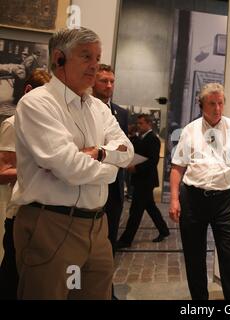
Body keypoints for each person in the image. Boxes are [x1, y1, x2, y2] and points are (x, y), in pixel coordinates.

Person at [11, 27, 134, 300]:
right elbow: (70, 167)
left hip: (96, 227)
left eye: (98, 57)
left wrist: (99, 154)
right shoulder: (38, 104)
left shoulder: (99, 108)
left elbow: (127, 152)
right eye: (86, 56)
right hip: (53, 225)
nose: (95, 66)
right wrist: (109, 167)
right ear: (59, 58)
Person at [169, 83, 230, 300]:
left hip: (224, 200)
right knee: (194, 255)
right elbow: (178, 167)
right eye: (212, 103)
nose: (217, 108)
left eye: (221, 103)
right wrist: (174, 200)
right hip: (193, 199)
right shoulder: (190, 130)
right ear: (202, 105)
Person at [0, 70, 51, 300]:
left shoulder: (40, 126)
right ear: (28, 91)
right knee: (12, 276)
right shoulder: (13, 124)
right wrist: (45, 168)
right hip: (17, 212)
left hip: (38, 212)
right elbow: (2, 172)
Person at [117, 114, 170, 247]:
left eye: (141, 123)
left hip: (145, 180)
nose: (138, 125)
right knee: (150, 207)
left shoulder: (153, 139)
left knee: (136, 211)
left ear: (149, 124)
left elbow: (153, 161)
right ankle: (164, 230)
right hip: (141, 179)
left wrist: (136, 168)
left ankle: (126, 240)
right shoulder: (141, 138)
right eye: (138, 123)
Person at [92, 64, 128, 253]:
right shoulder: (85, 107)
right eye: (103, 81)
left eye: (112, 81)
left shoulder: (121, 113)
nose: (108, 85)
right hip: (91, 180)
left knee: (109, 237)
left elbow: (124, 147)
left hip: (114, 185)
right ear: (93, 82)